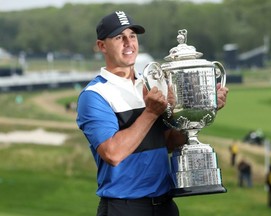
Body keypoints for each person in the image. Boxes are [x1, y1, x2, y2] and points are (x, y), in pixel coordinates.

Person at [76, 11, 229, 216]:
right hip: (124, 207)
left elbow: (168, 142)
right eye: (119, 37)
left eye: (132, 36)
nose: (128, 43)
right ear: (102, 46)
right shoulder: (94, 95)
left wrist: (202, 110)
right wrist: (150, 113)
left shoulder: (154, 85)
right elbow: (113, 153)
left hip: (164, 204)